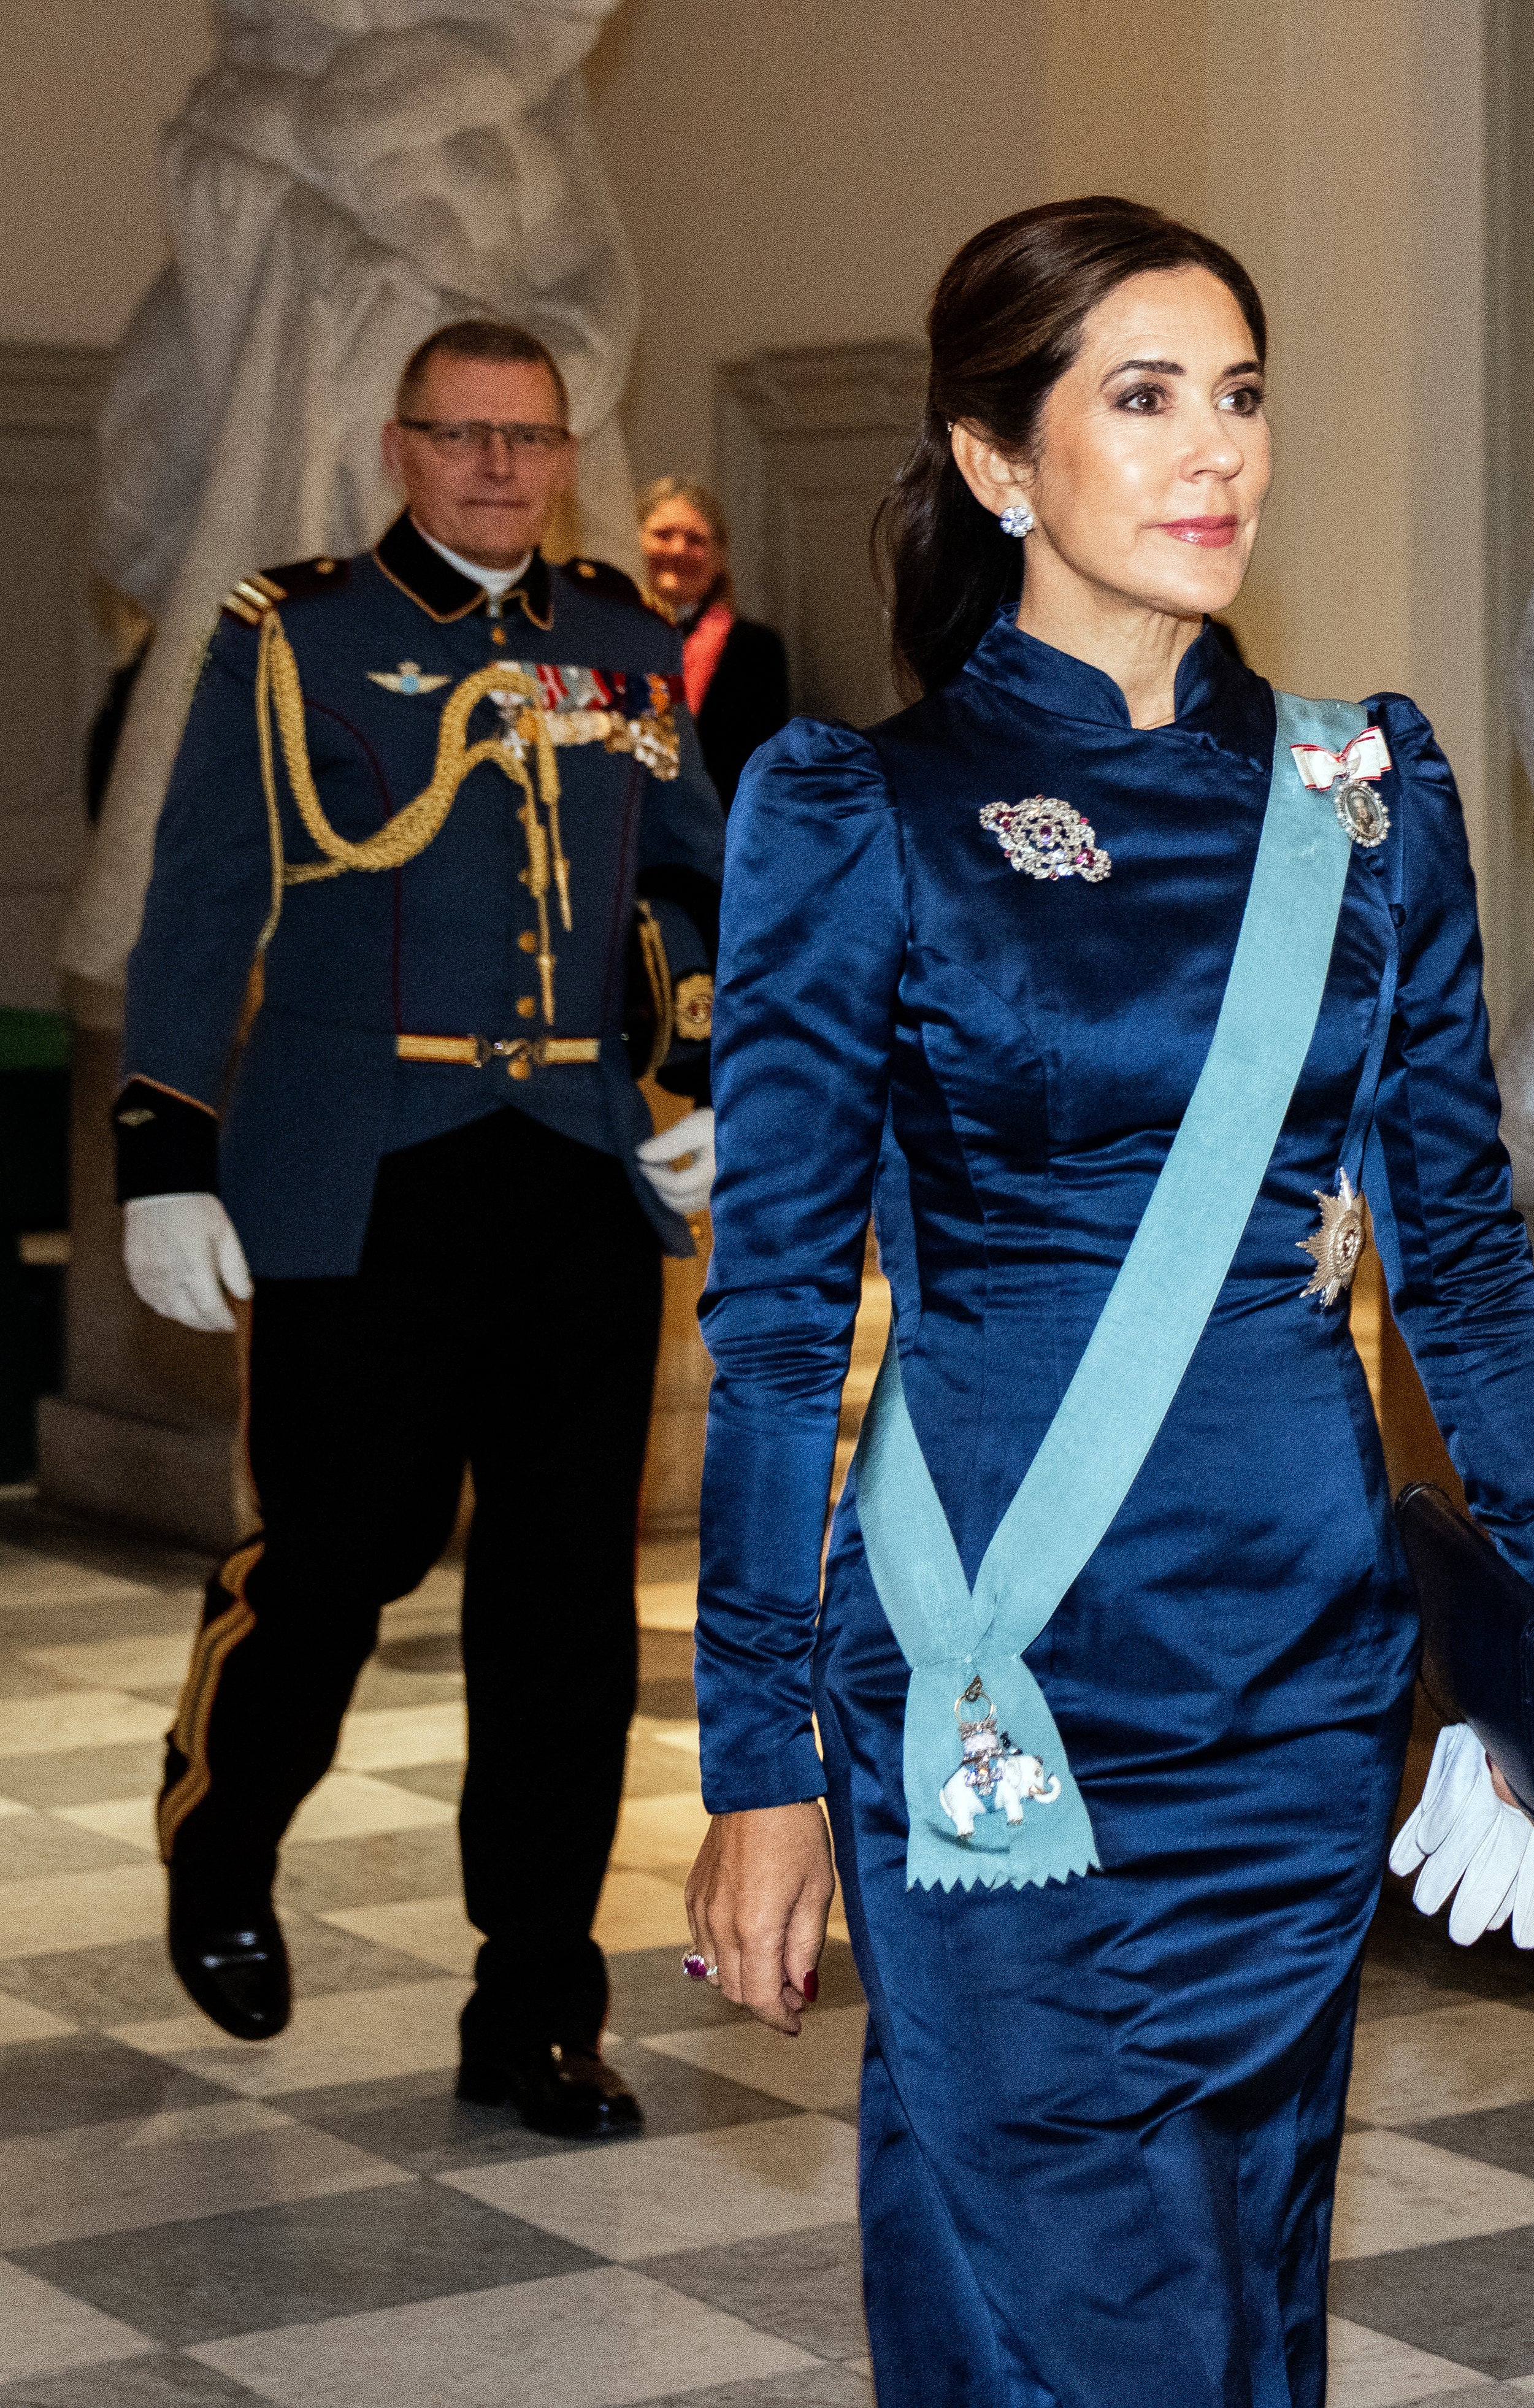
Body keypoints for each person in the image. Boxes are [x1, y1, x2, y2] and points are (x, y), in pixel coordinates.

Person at [678, 197, 1534, 2405]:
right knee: (1127, 2331)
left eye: (1241, 392)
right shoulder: (858, 807)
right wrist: (754, 1759)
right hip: (998, 1682)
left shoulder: (1364, 800)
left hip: (1298, 1691)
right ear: (999, 461)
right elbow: (780, 1324)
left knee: (1225, 2292)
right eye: (1142, 395)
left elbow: (1465, 1254)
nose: (1219, 451)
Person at [115, 317, 724, 2136]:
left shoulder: (623, 647)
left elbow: (690, 870)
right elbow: (204, 892)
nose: (494, 469)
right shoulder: (292, 636)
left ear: (564, 453)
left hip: (573, 1169)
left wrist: (696, 1069)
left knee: (563, 1605)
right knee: (341, 1554)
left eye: (526, 439)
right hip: (362, 1160)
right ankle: (220, 1824)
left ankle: (533, 2000)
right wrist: (164, 1148)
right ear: (400, 448)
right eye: (460, 436)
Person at [637, 475, 792, 802]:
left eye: (695, 540)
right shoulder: (609, 636)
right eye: (663, 535)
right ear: (638, 541)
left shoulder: (756, 650)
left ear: (719, 557)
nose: (678, 549)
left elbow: (761, 772)